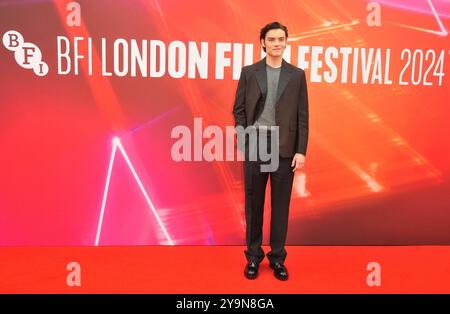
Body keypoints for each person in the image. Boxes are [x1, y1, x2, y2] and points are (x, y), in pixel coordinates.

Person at [232, 21, 309, 281]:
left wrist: (301, 150)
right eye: (272, 39)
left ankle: (277, 258)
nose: (277, 44)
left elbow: (302, 116)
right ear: (263, 42)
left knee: (280, 206)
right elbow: (239, 109)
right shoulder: (249, 72)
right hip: (255, 144)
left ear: (286, 42)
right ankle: (253, 257)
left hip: (285, 148)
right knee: (254, 203)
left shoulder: (297, 75)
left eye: (281, 39)